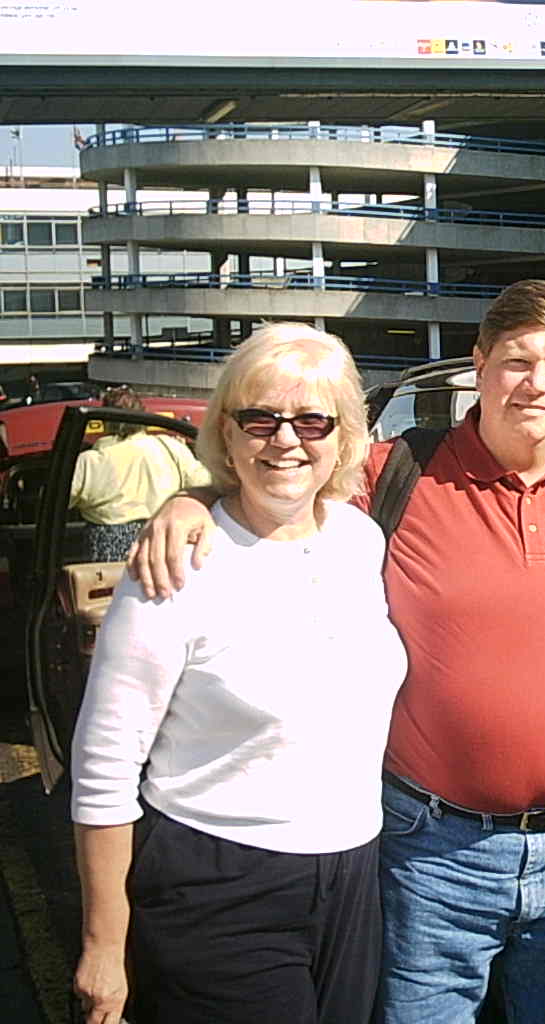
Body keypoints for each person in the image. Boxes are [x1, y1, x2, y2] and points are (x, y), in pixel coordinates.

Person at [125, 281, 545, 1023]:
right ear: (479, 366)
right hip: (430, 854)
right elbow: (279, 487)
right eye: (518, 361)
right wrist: (192, 499)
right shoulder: (398, 473)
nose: (537, 384)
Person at [70, 324, 408, 1024]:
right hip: (218, 881)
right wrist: (105, 946)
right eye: (260, 418)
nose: (285, 440)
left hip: (352, 874)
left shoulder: (359, 540)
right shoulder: (175, 567)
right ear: (227, 434)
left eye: (312, 420)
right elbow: (103, 767)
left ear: (344, 437)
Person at [68, 385, 212, 561]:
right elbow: (205, 483)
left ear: (104, 421)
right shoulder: (171, 448)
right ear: (143, 416)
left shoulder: (89, 462)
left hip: (109, 551)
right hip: (162, 539)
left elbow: (57, 500)